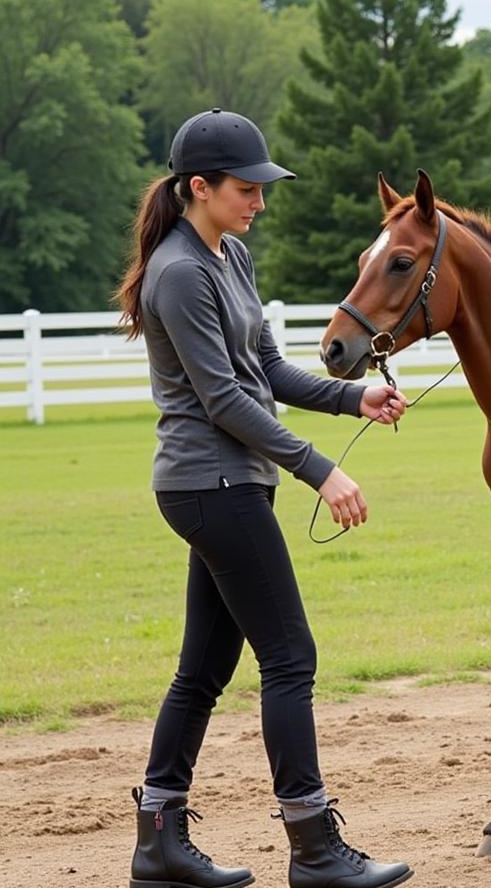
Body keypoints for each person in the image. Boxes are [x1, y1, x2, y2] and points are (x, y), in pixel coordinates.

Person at [116, 108, 413, 888]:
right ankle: (314, 847)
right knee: (289, 656)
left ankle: (159, 840)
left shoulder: (231, 258)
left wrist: (355, 402)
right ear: (199, 186)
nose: (259, 200)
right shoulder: (179, 273)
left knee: (204, 667)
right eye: (246, 188)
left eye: (261, 187)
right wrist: (321, 469)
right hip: (210, 482)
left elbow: (268, 372)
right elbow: (223, 401)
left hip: (226, 483)